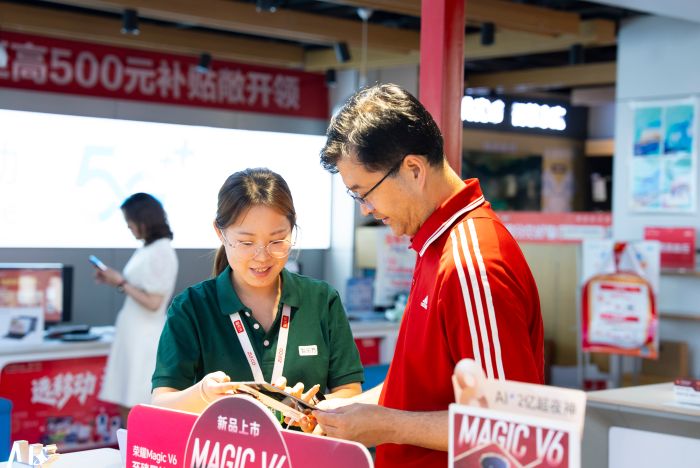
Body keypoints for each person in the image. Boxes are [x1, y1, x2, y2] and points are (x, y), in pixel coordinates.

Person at [313, 84, 544, 467]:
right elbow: (425, 388)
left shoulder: (470, 265)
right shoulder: (435, 243)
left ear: (414, 170)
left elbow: (512, 427)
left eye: (363, 193)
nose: (365, 209)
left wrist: (388, 425)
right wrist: (348, 411)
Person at [150, 168, 364, 427]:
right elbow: (161, 403)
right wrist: (203, 394)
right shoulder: (191, 308)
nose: (262, 257)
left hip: (305, 448)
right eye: (246, 242)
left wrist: (312, 410)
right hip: (226, 448)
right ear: (220, 233)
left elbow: (350, 391)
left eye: (277, 240)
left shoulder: (321, 300)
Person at [96, 193, 179, 427]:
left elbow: (154, 302)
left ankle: (136, 448)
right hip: (134, 336)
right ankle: (129, 446)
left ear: (144, 219)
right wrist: (117, 282)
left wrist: (121, 282)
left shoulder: (161, 251)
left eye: (130, 221)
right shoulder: (148, 248)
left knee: (137, 405)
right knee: (126, 402)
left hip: (145, 339)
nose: (128, 227)